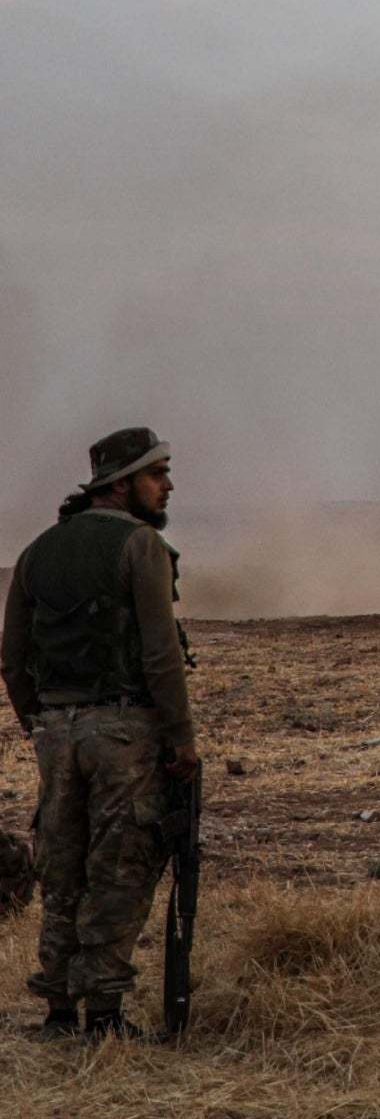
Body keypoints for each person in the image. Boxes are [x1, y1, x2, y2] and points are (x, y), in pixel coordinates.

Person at [1, 428, 197, 1039]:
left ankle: (58, 1010)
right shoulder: (141, 545)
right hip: (122, 731)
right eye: (155, 473)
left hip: (56, 732)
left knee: (62, 870)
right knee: (121, 867)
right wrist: (181, 738)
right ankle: (104, 1015)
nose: (167, 484)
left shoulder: (37, 550)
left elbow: (12, 656)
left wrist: (40, 721)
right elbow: (162, 655)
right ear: (121, 483)